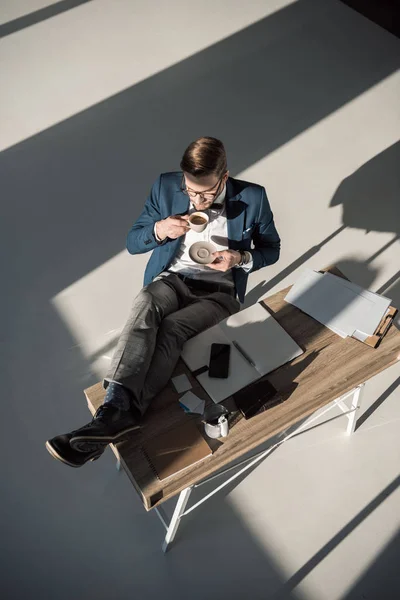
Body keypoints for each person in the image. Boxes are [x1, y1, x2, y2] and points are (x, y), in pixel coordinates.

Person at [46, 136, 281, 467]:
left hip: (219, 292)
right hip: (172, 279)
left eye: (207, 193)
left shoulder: (253, 197)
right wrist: (159, 230)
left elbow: (272, 249)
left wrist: (240, 257)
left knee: (172, 329)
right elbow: (132, 242)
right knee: (145, 303)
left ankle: (112, 417)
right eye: (190, 191)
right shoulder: (166, 186)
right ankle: (117, 411)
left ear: (224, 178)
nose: (197, 200)